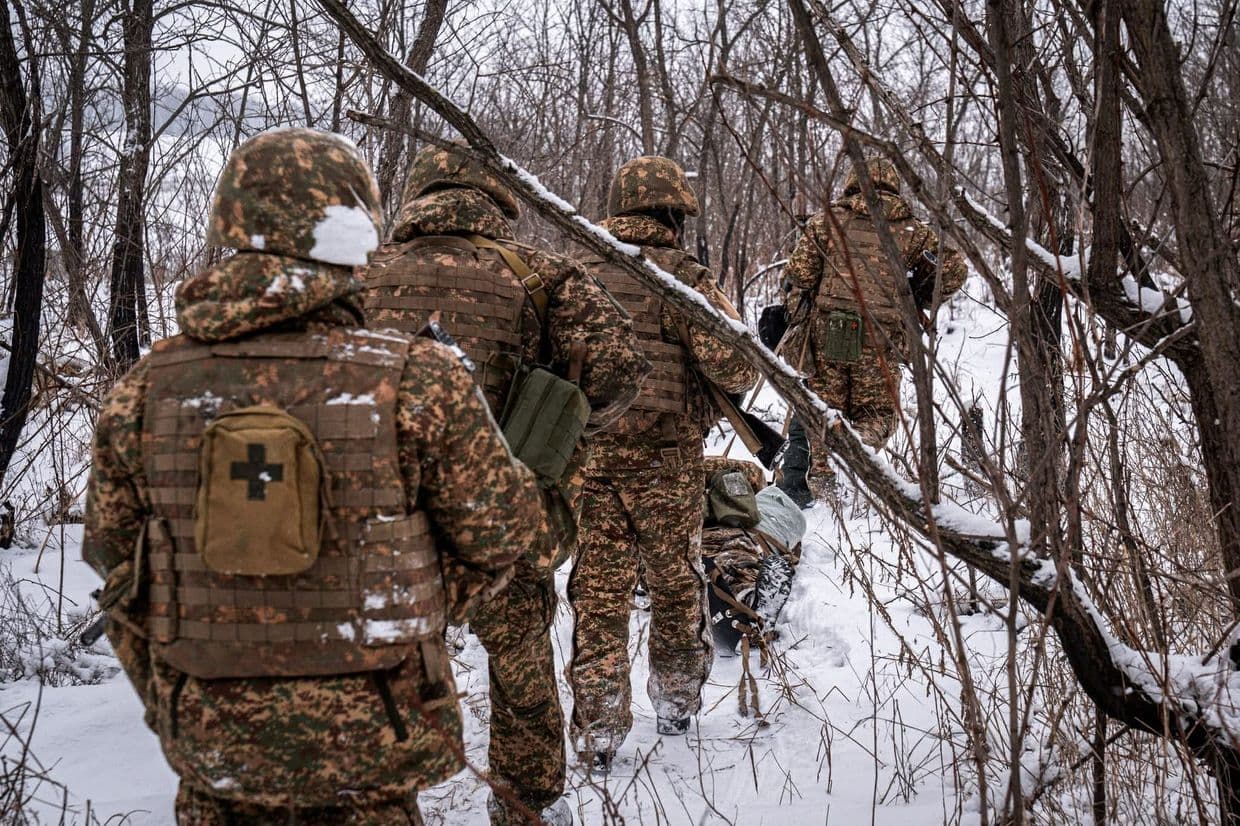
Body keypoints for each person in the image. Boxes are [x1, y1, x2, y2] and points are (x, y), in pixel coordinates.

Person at [82, 128, 545, 826]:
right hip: (376, 741)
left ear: (233, 223)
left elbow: (119, 573)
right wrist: (412, 604)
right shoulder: (421, 378)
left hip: (218, 749)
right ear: (356, 233)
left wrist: (183, 694)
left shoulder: (144, 391)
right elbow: (506, 535)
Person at [360, 143, 649, 825]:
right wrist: (554, 427)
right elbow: (619, 374)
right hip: (501, 515)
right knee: (520, 671)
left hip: (377, 526)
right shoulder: (542, 276)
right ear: (496, 200)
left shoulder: (354, 276)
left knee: (371, 677)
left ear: (418, 197)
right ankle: (526, 807)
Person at [570, 155, 758, 772]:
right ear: (672, 215)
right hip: (667, 467)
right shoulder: (685, 281)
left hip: (589, 465)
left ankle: (599, 725)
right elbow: (738, 369)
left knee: (599, 597)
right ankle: (675, 701)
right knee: (677, 586)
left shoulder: (577, 271)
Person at [776, 158, 967, 503]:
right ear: (894, 186)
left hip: (827, 331)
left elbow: (800, 274)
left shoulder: (828, 221)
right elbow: (953, 270)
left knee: (822, 408)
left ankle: (823, 481)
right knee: (878, 413)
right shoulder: (911, 230)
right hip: (880, 336)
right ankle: (855, 452)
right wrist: (918, 293)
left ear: (852, 184)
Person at [700, 457, 806, 654]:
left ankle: (734, 609)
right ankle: (748, 599)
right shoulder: (733, 470)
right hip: (740, 531)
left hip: (692, 536)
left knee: (705, 567)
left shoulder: (660, 476)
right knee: (738, 558)